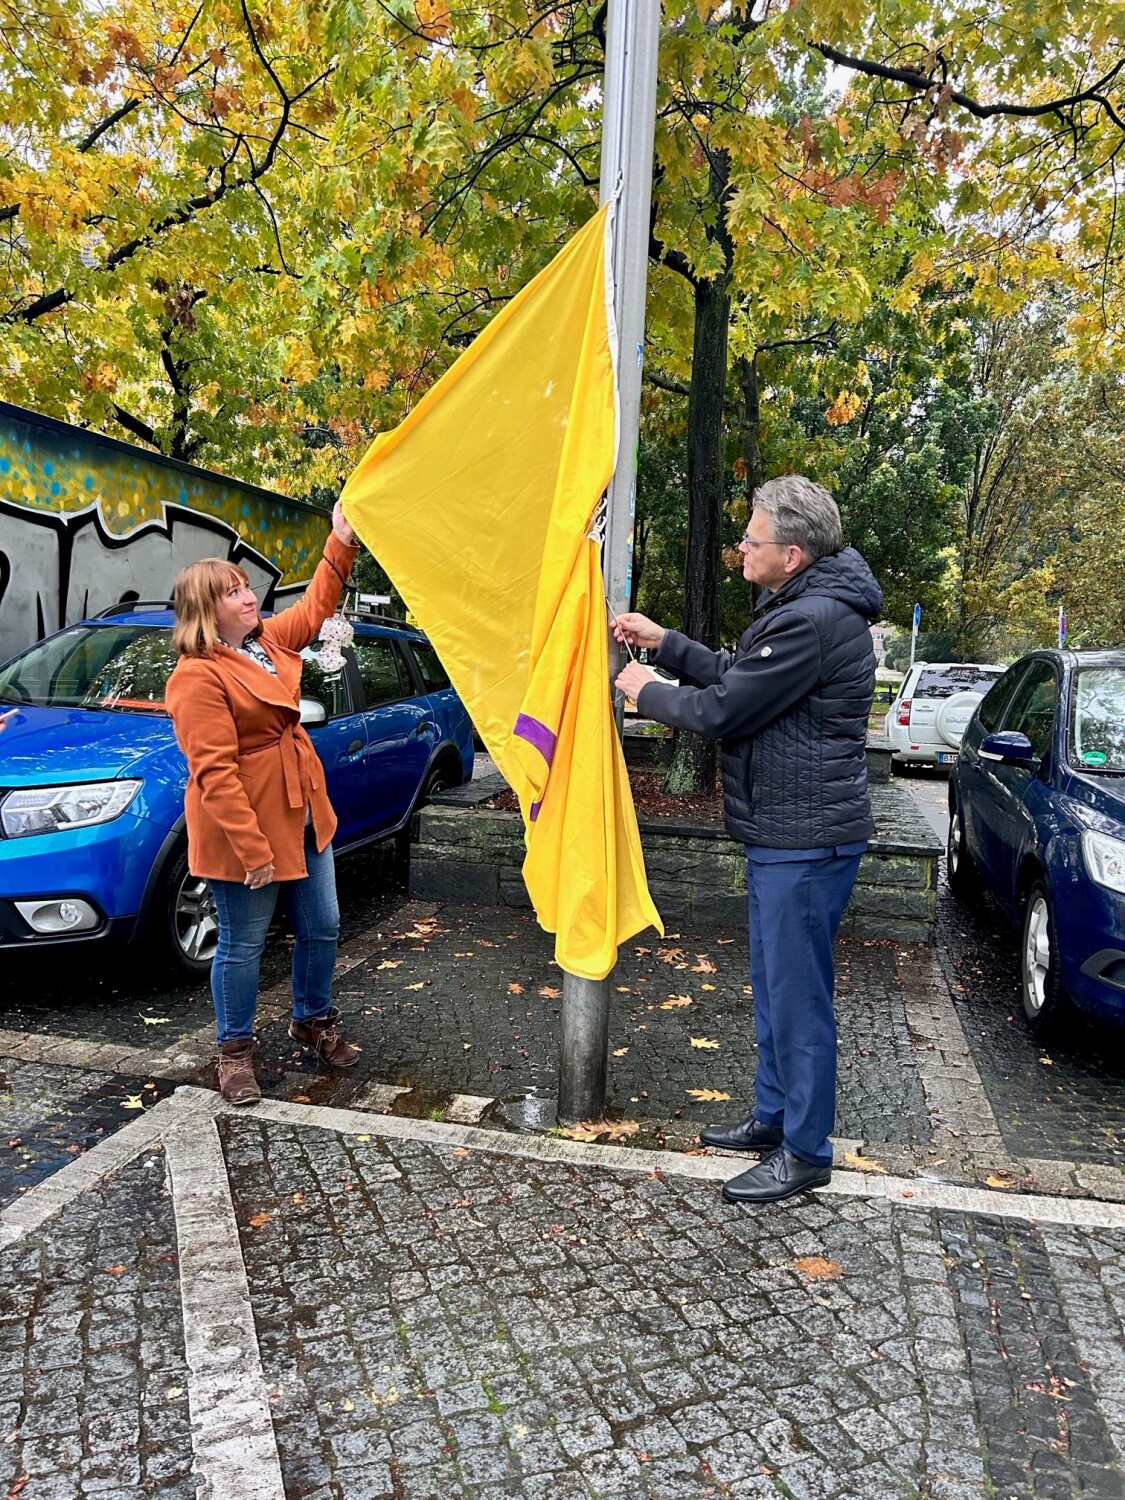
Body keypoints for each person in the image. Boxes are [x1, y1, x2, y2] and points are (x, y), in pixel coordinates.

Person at [614, 475, 883, 1206]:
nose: (741, 547)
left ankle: (804, 1151)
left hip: (804, 838)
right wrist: (666, 644)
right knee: (773, 985)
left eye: (751, 538)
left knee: (797, 1000)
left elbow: (728, 708)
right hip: (786, 833)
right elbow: (742, 675)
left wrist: (645, 690)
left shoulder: (812, 619)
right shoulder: (803, 609)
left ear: (791, 554)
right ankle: (774, 1117)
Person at [165, 501, 362, 1105]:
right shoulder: (196, 676)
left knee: (323, 924)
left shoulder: (266, 642)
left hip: (302, 808)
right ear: (206, 610)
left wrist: (340, 545)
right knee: (243, 945)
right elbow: (215, 774)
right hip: (246, 828)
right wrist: (253, 852)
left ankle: (312, 1019)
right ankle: (234, 1055)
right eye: (233, 593)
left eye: (247, 587)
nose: (249, 597)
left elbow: (314, 609)